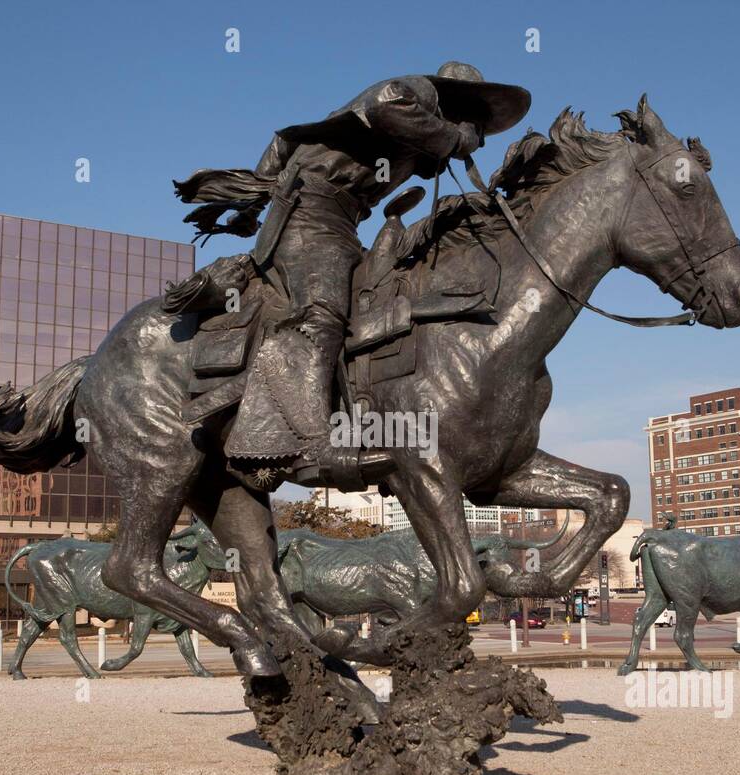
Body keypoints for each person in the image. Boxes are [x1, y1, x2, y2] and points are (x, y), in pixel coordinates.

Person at [175, 62, 530, 484]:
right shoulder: (410, 93)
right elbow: (385, 108)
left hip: (342, 224)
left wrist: (255, 196)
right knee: (322, 315)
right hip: (308, 218)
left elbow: (284, 141)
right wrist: (454, 138)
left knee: (377, 303)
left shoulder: (414, 137)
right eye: (476, 118)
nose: (478, 131)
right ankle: (308, 444)